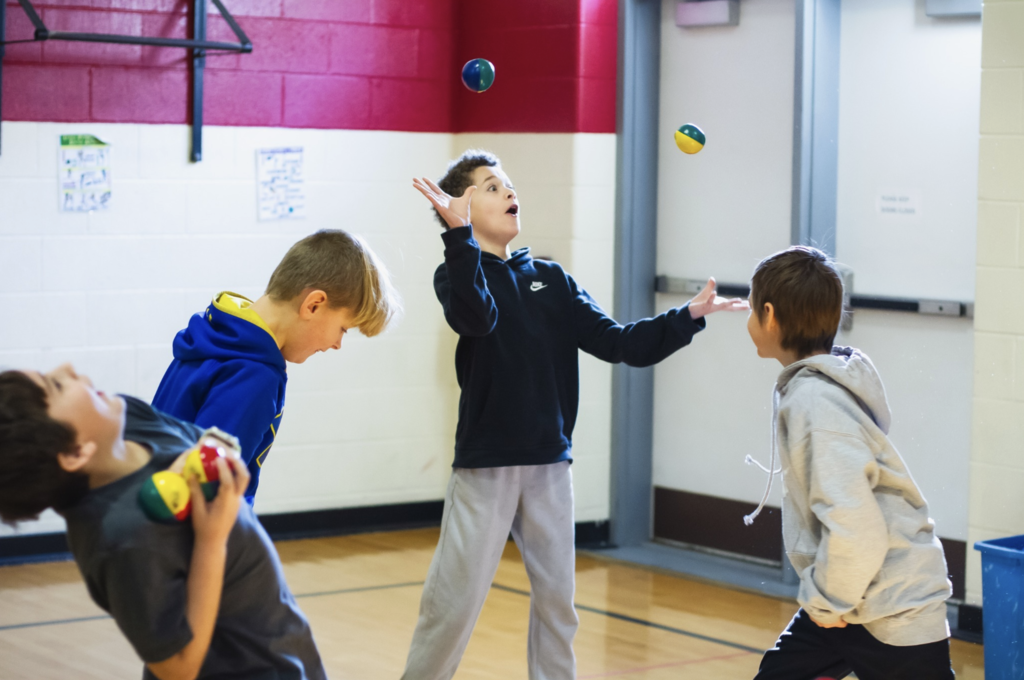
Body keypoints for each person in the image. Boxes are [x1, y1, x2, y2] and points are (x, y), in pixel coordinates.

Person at [402, 149, 748, 680]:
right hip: (485, 466)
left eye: (509, 184)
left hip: (548, 467)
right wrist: (458, 239)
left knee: (558, 606)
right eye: (492, 187)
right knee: (452, 605)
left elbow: (620, 343)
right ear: (464, 208)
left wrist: (688, 317)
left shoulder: (553, 280)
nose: (509, 192)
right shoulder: (456, 276)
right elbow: (476, 318)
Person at [0, 363, 328, 680]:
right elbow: (177, 669)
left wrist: (211, 454)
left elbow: (216, 442)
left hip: (287, 647)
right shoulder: (123, 539)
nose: (66, 368)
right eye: (55, 386)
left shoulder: (129, 419)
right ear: (74, 453)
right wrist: (211, 542)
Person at [743, 246, 954, 680]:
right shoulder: (813, 389)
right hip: (846, 599)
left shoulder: (816, 404)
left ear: (769, 315)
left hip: (894, 611)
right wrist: (828, 602)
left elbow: (857, 529)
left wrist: (826, 604)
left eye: (749, 309)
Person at [153, 229, 399, 503]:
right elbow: (206, 489)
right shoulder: (255, 375)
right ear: (314, 305)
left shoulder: (214, 336)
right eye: (343, 328)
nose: (337, 344)